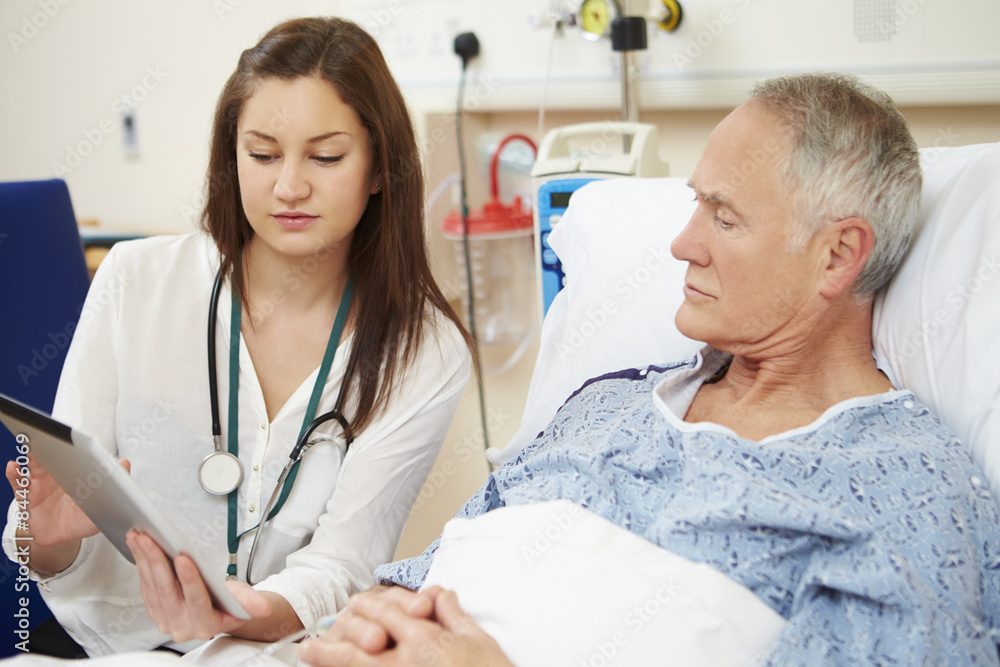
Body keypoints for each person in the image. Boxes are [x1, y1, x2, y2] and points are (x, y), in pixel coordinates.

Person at [296, 73, 1000, 666]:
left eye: (724, 217)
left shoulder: (901, 491)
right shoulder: (605, 406)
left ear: (839, 254)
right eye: (696, 202)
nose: (682, 242)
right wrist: (366, 623)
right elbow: (418, 583)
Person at [2, 17, 473, 657]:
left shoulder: (425, 350)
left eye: (327, 156)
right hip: (106, 651)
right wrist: (44, 537)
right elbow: (47, 549)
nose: (289, 187)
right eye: (262, 154)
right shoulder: (134, 281)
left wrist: (242, 616)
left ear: (380, 168)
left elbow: (343, 565)